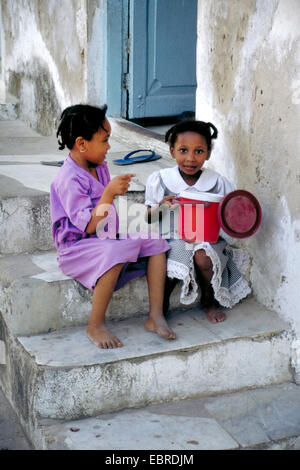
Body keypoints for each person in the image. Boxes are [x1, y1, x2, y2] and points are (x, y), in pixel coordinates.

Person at [50, 104, 176, 349]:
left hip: (106, 237)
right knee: (115, 253)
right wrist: (108, 194)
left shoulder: (100, 166)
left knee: (157, 243)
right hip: (76, 249)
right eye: (105, 140)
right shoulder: (67, 179)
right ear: (82, 143)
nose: (109, 147)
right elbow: (87, 226)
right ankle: (95, 324)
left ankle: (155, 315)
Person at [145, 120, 251, 323]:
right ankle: (161, 305)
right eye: (183, 150)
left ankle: (209, 300)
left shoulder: (217, 182)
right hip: (173, 237)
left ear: (208, 153)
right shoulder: (161, 179)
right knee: (175, 253)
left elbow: (232, 212)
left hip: (208, 238)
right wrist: (161, 206)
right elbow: (149, 218)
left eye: (199, 151)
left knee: (204, 256)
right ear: (172, 150)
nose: (190, 159)